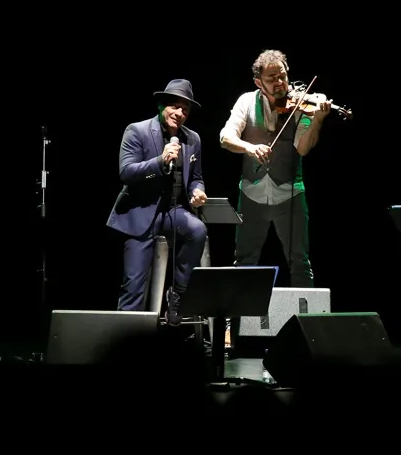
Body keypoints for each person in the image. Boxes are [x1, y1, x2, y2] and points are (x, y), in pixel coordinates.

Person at [219, 49, 332, 288]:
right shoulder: (246, 101)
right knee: (244, 260)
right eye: (272, 79)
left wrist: (317, 120)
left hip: (290, 193)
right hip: (251, 193)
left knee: (300, 262)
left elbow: (302, 148)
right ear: (258, 82)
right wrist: (250, 148)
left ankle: (305, 311)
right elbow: (225, 137)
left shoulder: (300, 104)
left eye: (283, 76)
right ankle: (240, 313)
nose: (280, 82)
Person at [106, 79, 208, 326]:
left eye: (185, 110)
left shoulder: (192, 139)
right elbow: (126, 172)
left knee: (197, 230)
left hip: (172, 211)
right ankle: (125, 336)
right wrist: (160, 162)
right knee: (134, 285)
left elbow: (196, 177)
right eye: (175, 106)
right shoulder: (137, 131)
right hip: (140, 213)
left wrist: (198, 191)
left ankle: (179, 294)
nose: (179, 113)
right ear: (162, 106)